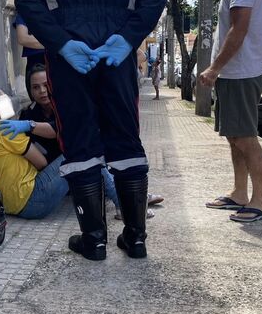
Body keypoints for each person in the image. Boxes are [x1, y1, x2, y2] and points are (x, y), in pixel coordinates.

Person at [15, 0, 167, 260]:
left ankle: (94, 240)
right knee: (126, 139)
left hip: (70, 60)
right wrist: (128, 37)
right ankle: (136, 238)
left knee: (80, 142)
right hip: (117, 56)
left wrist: (62, 43)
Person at [14, 64, 162, 219]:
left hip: (80, 171)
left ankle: (133, 196)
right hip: (57, 176)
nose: (42, 91)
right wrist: (30, 125)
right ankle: (126, 204)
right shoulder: (27, 115)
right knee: (86, 155)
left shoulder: (66, 106)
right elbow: (40, 159)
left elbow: (61, 129)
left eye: (46, 85)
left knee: (104, 152)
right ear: (30, 90)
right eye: (36, 87)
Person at [198, 0, 262, 223]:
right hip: (236, 74)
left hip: (240, 74)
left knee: (245, 138)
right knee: (234, 137)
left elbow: (238, 30)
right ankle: (240, 193)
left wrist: (214, 68)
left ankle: (260, 201)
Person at [0, 84, 67, 220]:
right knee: (78, 151)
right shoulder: (3, 128)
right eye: (3, 97)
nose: (7, 100)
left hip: (11, 205)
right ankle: (102, 191)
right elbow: (42, 163)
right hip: (34, 199)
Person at [13, 13, 45, 85]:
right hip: (36, 60)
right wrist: (53, 42)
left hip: (57, 59)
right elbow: (23, 39)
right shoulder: (25, 11)